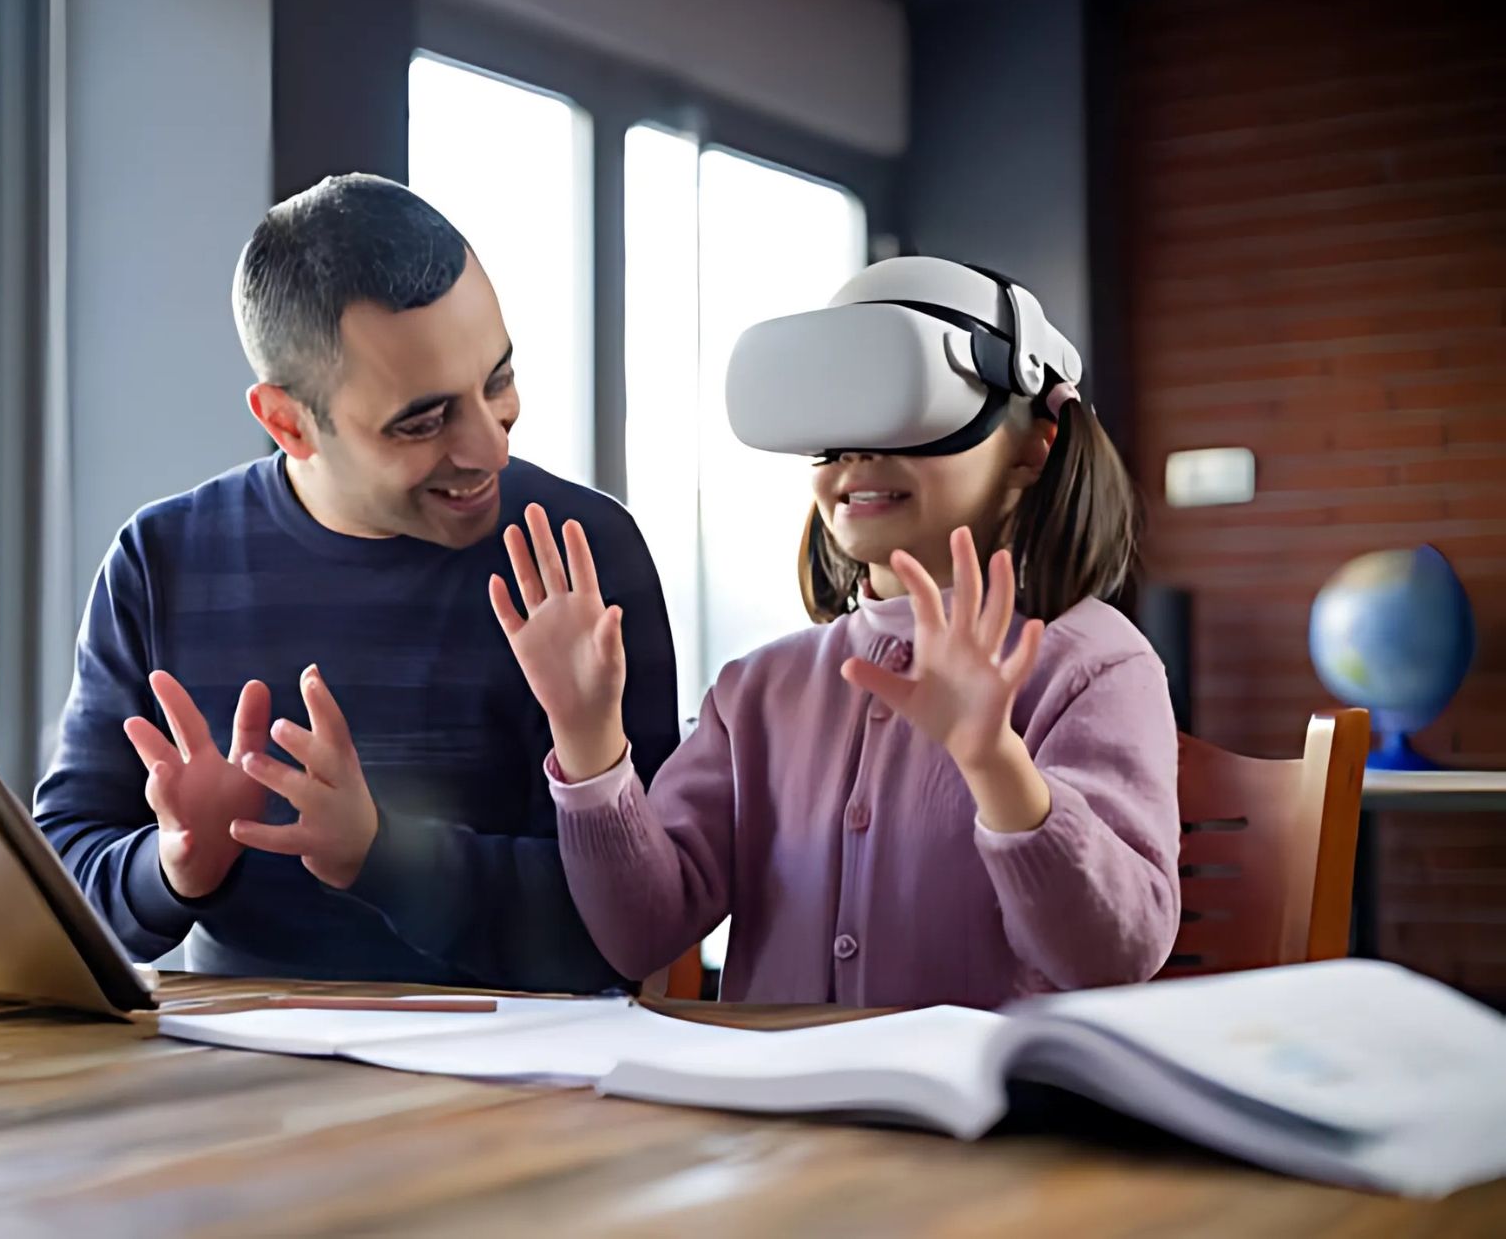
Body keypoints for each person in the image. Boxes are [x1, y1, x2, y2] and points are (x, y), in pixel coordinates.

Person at [34, 175, 679, 992]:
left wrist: (381, 857)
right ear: (287, 422)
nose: (490, 448)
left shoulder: (583, 553)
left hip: (523, 1088)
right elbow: (62, 876)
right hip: (246, 1077)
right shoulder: (160, 561)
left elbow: (630, 924)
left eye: (498, 382)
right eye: (424, 419)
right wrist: (172, 865)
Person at [490, 258, 1180, 1007]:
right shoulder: (757, 689)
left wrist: (994, 763)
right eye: (831, 436)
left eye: (903, 418)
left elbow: (1114, 956)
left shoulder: (1095, 666)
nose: (856, 456)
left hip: (996, 1116)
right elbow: (641, 934)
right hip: (775, 1111)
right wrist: (589, 743)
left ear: (1031, 444)